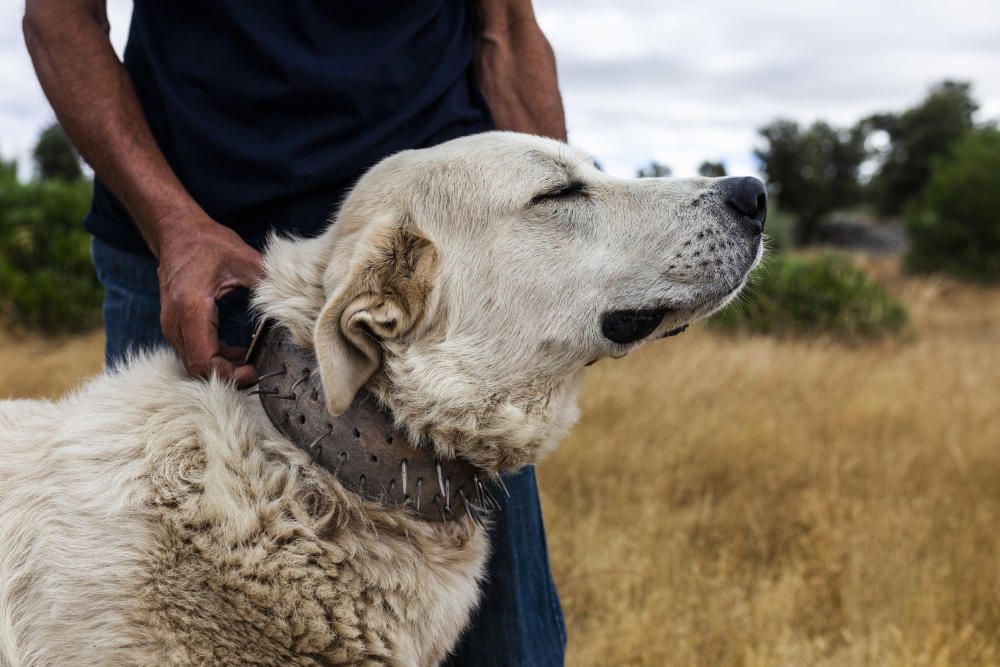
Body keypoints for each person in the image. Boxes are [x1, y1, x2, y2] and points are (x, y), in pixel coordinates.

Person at [23, 1, 568, 664]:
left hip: (442, 274)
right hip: (193, 247)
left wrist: (565, 245)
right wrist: (173, 227)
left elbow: (505, 29)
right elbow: (60, 17)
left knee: (505, 650)